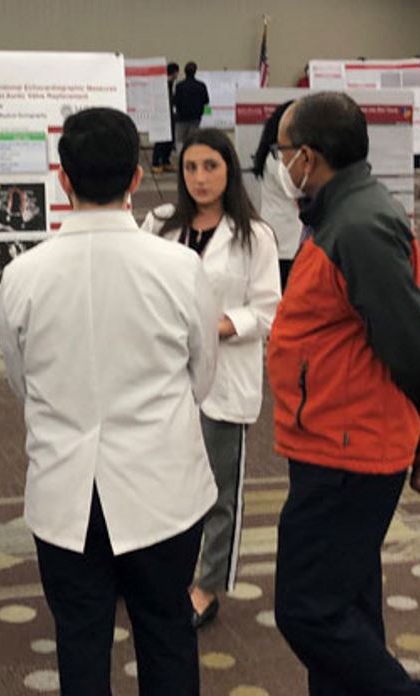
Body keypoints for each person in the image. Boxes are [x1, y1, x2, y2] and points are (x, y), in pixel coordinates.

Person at [0, 107, 220, 696]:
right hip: (162, 485)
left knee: (80, 639)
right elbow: (203, 378)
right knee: (167, 630)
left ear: (62, 179)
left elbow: (20, 383)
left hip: (65, 490)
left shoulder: (23, 274)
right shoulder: (179, 267)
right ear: (135, 178)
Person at [266, 92, 420, 696]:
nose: (278, 162)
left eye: (282, 151)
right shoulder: (340, 212)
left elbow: (417, 349)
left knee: (307, 610)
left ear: (308, 156)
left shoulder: (360, 225)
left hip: (347, 449)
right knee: (346, 602)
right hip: (335, 436)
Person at [142, 129, 280, 629]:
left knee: (218, 490)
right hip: (164, 379)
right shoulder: (158, 224)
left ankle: (206, 585)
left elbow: (267, 313)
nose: (200, 178)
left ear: (230, 170)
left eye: (211, 167)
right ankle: (159, 572)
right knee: (159, 481)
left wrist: (213, 327)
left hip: (223, 379)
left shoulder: (254, 235)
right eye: (191, 168)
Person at [251, 100, 303, 288]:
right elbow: (293, 188)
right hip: (284, 238)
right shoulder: (277, 157)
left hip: (287, 235)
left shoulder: (281, 154)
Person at [151, 62, 180, 174]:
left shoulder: (172, 84)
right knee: (161, 139)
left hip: (170, 115)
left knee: (170, 139)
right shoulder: (162, 84)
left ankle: (165, 161)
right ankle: (156, 162)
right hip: (161, 115)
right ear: (175, 72)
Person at [174, 62, 209, 146]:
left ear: (185, 72)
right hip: (195, 118)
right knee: (193, 140)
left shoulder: (179, 86)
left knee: (180, 140)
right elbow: (206, 101)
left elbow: (175, 101)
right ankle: (191, 156)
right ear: (195, 72)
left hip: (181, 118)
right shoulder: (201, 86)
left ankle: (181, 157)